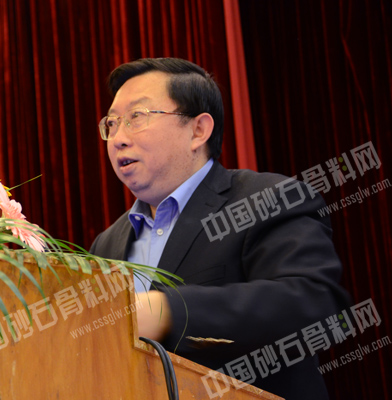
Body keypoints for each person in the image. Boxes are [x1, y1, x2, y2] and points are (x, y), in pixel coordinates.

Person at [90, 58, 351, 399]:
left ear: (198, 130)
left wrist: (168, 311)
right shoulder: (106, 244)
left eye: (136, 117)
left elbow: (314, 304)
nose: (118, 139)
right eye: (111, 123)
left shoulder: (269, 199)